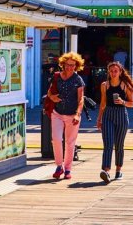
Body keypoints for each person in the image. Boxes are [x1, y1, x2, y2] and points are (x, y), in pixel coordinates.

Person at [45, 52, 85, 180]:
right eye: (67, 65)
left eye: (73, 65)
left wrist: (78, 114)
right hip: (57, 113)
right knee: (56, 139)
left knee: (70, 142)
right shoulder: (57, 76)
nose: (70, 67)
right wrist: (52, 97)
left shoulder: (78, 79)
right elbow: (49, 92)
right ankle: (59, 166)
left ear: (76, 66)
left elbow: (81, 99)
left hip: (72, 114)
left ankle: (67, 169)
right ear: (63, 64)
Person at [96, 61, 133, 183]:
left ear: (120, 72)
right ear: (108, 72)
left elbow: (132, 103)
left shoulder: (125, 85)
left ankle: (118, 170)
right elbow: (103, 103)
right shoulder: (104, 85)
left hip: (121, 115)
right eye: (111, 71)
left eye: (116, 71)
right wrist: (99, 119)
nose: (113, 73)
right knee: (108, 144)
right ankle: (106, 170)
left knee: (119, 145)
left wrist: (123, 102)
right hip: (108, 114)